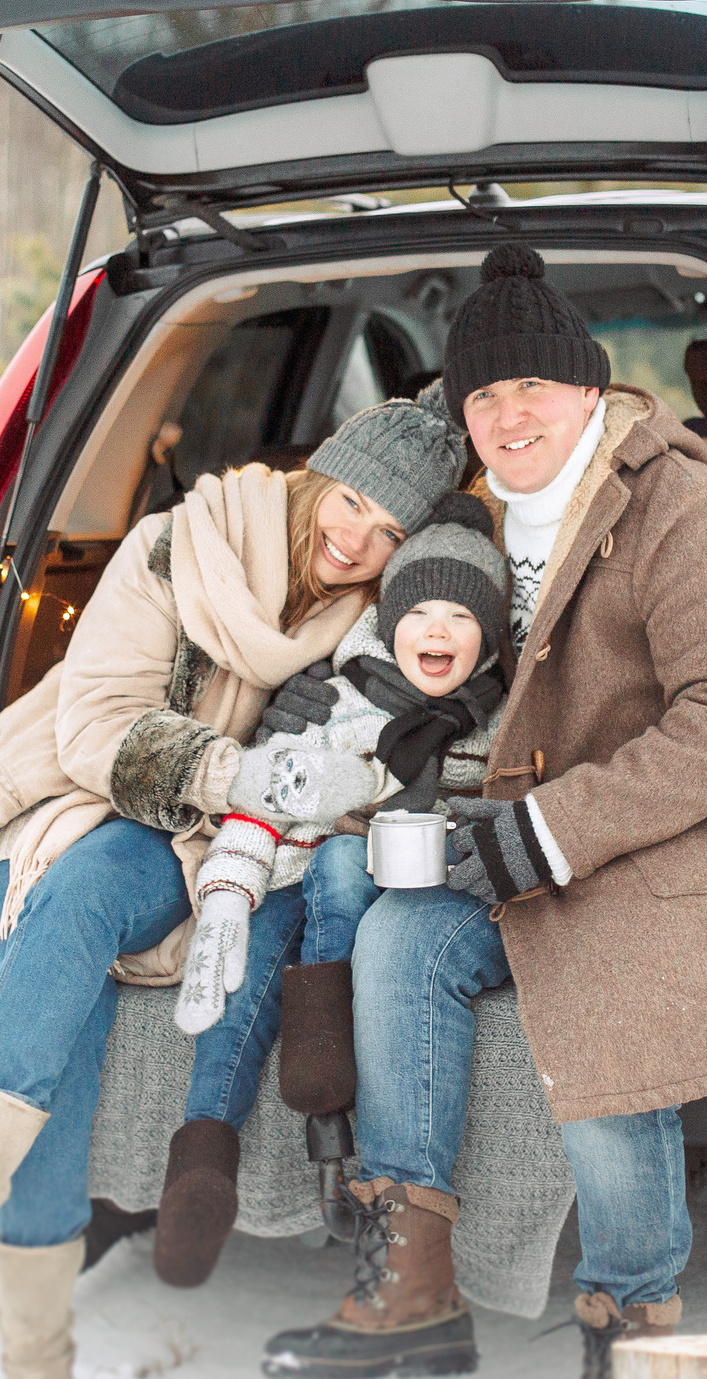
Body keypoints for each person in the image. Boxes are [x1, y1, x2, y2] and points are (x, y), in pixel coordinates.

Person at [0, 392, 466, 1379]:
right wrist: (238, 776)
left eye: (389, 530)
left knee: (90, 891)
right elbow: (96, 729)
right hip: (51, 795)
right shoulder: (176, 546)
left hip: (190, 844)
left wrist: (280, 800)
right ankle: (15, 1310)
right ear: (320, 473)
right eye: (352, 502)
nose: (357, 540)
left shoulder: (368, 623)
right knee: (59, 937)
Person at [264, 244, 707, 1379]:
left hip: (672, 843)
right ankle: (413, 1296)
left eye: (529, 385)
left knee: (591, 977)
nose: (506, 414)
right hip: (521, 837)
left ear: (588, 389)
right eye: (483, 394)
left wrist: (543, 833)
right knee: (395, 935)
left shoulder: (683, 511)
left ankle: (629, 1324)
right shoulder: (472, 518)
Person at [168, 491, 513, 1251]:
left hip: (420, 900)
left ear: (488, 635)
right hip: (305, 875)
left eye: (461, 616)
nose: (437, 630)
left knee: (347, 863)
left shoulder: (502, 715)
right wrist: (230, 885)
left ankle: (325, 1088)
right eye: (420, 612)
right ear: (391, 625)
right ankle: (201, 1154)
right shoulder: (338, 694)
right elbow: (267, 791)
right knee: (258, 945)